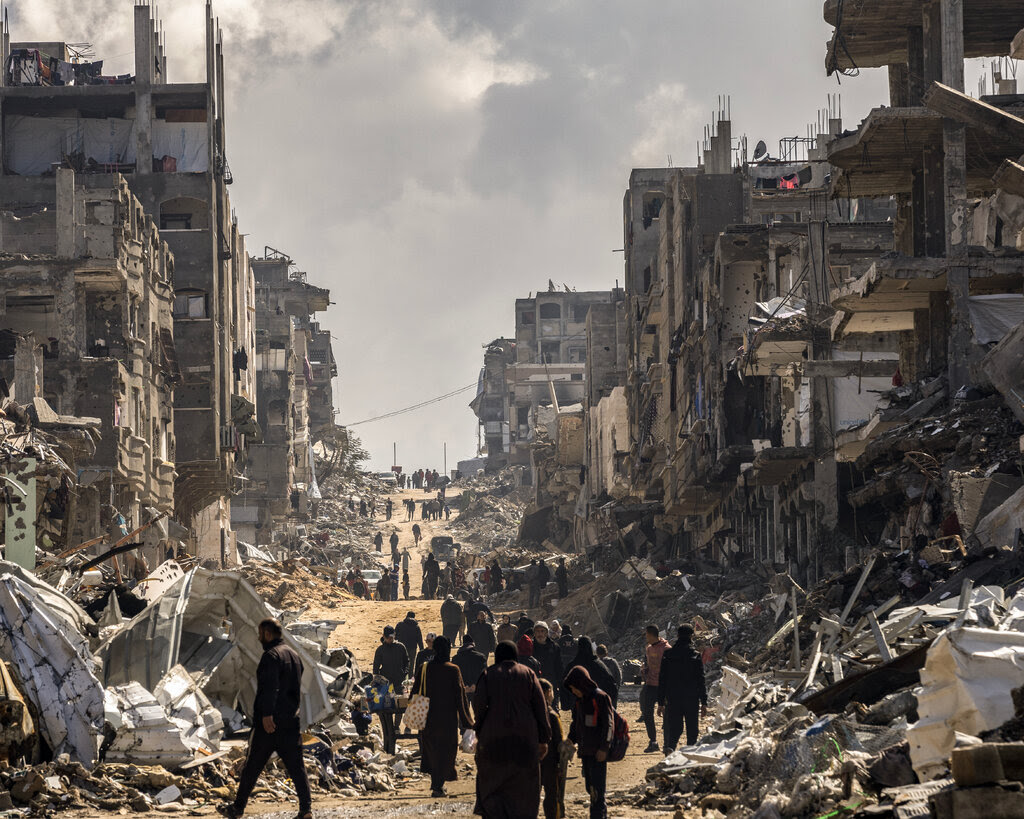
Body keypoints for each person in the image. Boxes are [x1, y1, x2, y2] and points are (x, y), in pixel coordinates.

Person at [217, 618, 311, 819]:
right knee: (297, 766)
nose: (259, 638)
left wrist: (267, 715)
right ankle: (306, 809)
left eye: (260, 634)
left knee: (253, 766)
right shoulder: (294, 656)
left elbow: (270, 688)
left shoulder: (271, 656)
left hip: (270, 723)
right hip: (291, 721)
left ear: (268, 634)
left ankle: (238, 808)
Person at [473, 641, 551, 819]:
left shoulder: (487, 674)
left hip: (493, 740)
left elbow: (479, 706)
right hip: (525, 739)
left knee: (493, 783)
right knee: (524, 787)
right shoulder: (528, 674)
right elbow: (541, 708)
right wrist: (544, 738)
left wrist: (480, 730)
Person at [412, 636, 472, 798]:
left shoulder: (424, 668)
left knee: (432, 750)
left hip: (428, 718)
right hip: (448, 719)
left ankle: (436, 783)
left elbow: (414, 692)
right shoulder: (453, 669)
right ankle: (438, 785)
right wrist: (467, 721)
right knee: (446, 751)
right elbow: (461, 698)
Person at [565, 665, 614, 819]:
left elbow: (609, 725)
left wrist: (604, 748)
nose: (574, 691)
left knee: (598, 791)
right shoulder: (580, 701)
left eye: (575, 688)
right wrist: (570, 740)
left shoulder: (600, 698)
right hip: (585, 752)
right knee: (590, 788)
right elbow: (576, 724)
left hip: (598, 752)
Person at [657, 624, 707, 753]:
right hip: (691, 698)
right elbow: (701, 679)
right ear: (691, 637)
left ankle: (671, 748)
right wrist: (704, 702)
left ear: (678, 636)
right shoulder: (695, 655)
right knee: (692, 730)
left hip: (673, 698)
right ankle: (689, 756)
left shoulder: (668, 655)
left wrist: (661, 702)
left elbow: (662, 679)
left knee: (675, 728)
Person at [372, 626, 409, 753]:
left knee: (399, 705)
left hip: (399, 681)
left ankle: (396, 726)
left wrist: (404, 673)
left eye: (392, 637)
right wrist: (378, 680)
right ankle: (388, 729)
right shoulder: (380, 650)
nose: (390, 640)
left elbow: (406, 661)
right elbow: (376, 667)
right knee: (387, 706)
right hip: (386, 683)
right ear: (384, 637)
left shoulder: (400, 647)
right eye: (388, 638)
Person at [639, 625, 671, 753]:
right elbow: (649, 665)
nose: (645, 637)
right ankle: (653, 741)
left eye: (646, 635)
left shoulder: (667, 649)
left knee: (666, 715)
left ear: (651, 634)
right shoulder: (648, 648)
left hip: (664, 686)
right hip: (650, 684)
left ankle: (668, 744)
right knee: (647, 713)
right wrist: (644, 671)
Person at [538, 679, 566, 819]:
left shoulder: (527, 713)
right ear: (548, 692)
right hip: (550, 762)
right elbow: (559, 742)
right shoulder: (553, 716)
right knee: (553, 796)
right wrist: (561, 765)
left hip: (531, 763)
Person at [563, 637, 618, 708]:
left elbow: (565, 685)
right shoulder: (598, 665)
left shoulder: (572, 665)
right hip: (596, 705)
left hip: (578, 707)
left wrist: (567, 703)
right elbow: (611, 685)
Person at [532, 621, 563, 687]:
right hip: (534, 683)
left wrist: (559, 683)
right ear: (534, 633)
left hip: (551, 683)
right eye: (537, 631)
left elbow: (559, 666)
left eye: (542, 631)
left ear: (546, 633)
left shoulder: (554, 647)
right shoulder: (529, 646)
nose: (540, 634)